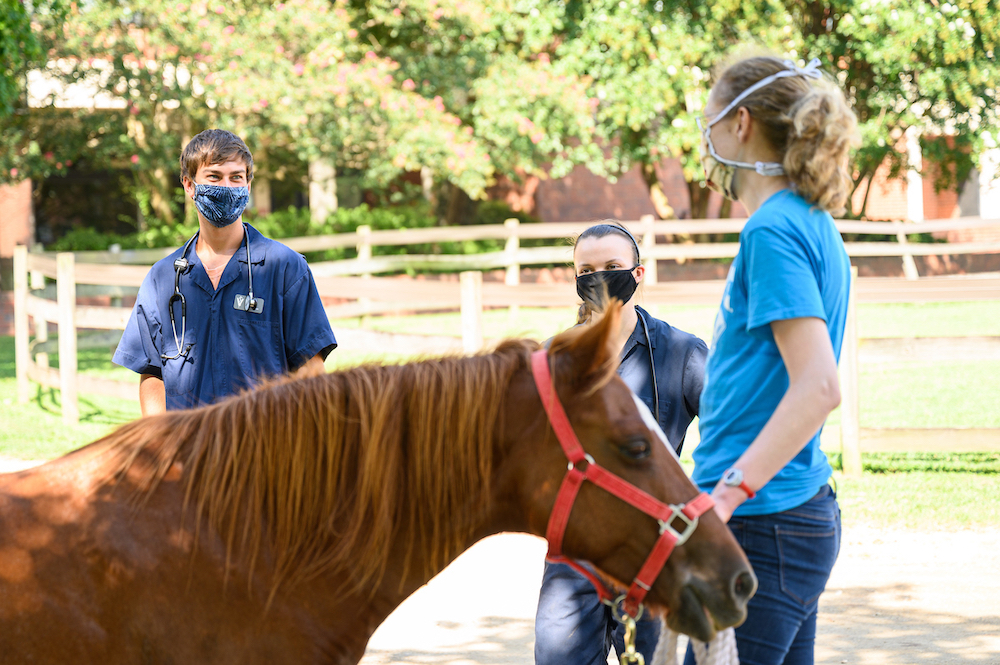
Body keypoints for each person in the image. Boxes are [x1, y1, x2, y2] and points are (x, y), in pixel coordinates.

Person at [688, 54, 859, 665]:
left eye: (709, 117)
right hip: (785, 518)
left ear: (739, 123)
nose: (703, 135)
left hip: (763, 524)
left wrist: (728, 495)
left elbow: (818, 387)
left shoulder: (775, 230)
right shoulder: (804, 221)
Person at [534, 221, 708, 665]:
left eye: (612, 266)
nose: (599, 278)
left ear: (637, 274)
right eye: (586, 269)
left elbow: (729, 434)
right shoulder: (553, 359)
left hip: (656, 553)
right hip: (574, 554)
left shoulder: (682, 352)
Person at [113, 129, 337, 414]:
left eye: (236, 177)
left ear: (248, 185)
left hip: (263, 447)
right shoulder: (164, 278)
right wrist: (160, 442)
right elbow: (152, 372)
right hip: (188, 447)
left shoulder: (285, 268)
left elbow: (310, 368)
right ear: (189, 185)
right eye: (214, 177)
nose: (227, 187)